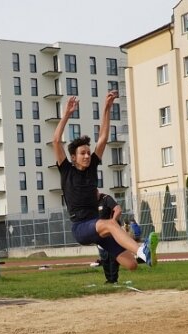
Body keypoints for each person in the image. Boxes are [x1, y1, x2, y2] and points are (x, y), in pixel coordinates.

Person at [52, 91, 158, 270]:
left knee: (131, 265)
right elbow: (56, 141)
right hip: (81, 228)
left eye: (88, 152)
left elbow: (103, 138)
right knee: (110, 223)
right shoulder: (66, 170)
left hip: (97, 226)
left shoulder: (92, 166)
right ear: (73, 157)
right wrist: (67, 115)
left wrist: (107, 107)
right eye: (82, 153)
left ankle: (140, 256)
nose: (87, 156)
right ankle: (142, 250)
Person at [97, 191, 121, 284]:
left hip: (111, 232)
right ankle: (108, 279)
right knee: (104, 257)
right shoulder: (90, 202)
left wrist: (113, 222)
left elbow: (118, 209)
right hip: (101, 233)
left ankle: (114, 279)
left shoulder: (106, 198)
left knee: (112, 256)